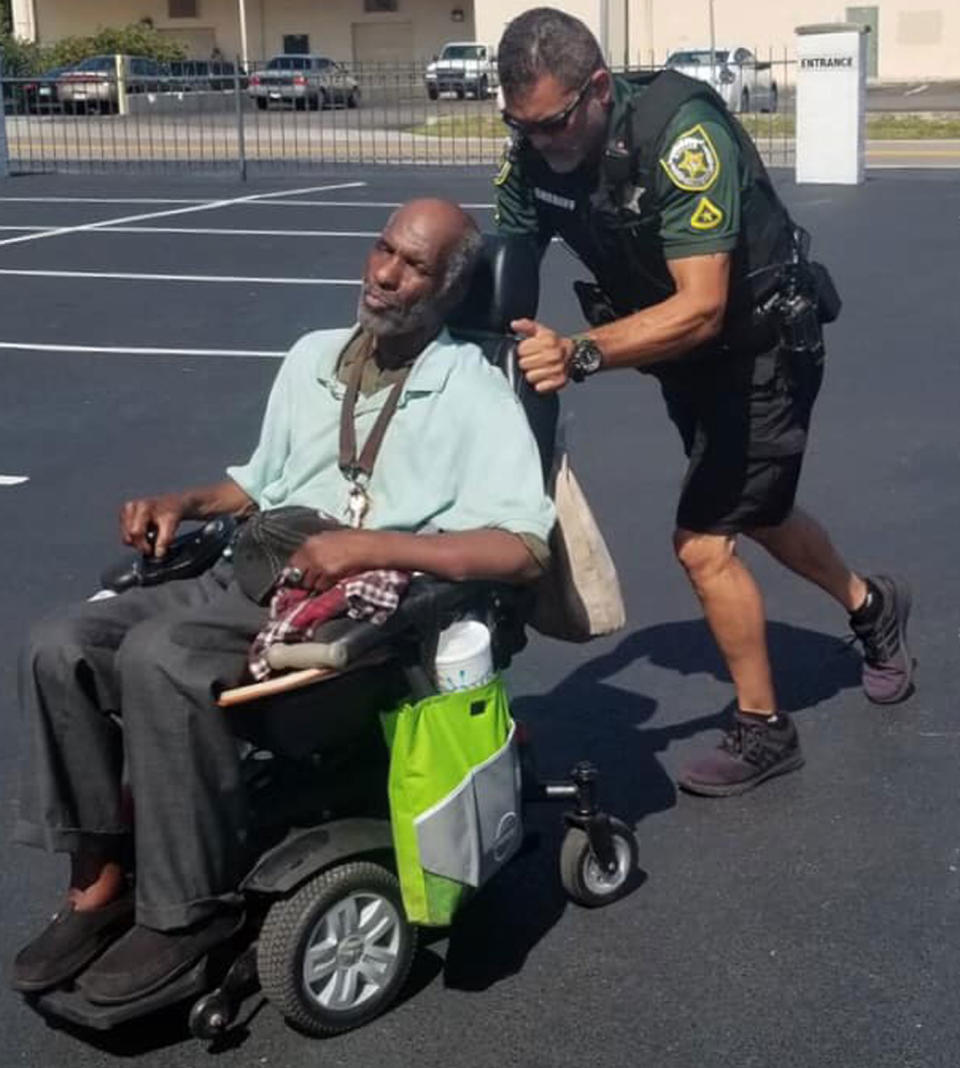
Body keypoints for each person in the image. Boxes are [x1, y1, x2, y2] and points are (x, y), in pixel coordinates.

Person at [11, 199, 554, 1003]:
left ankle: (185, 908)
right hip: (251, 572)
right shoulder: (312, 357)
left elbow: (523, 546)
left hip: (350, 617)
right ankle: (98, 879)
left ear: (449, 287)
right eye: (382, 251)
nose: (383, 273)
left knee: (160, 658)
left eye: (412, 266)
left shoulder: (473, 390)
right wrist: (185, 503)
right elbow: (261, 483)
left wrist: (372, 547)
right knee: (59, 644)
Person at [493, 7, 912, 797]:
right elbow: (509, 260)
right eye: (521, 125)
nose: (538, 142)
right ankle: (871, 603)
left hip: (760, 350)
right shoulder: (534, 150)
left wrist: (578, 352)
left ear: (598, 90)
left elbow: (702, 307)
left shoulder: (681, 136)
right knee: (758, 507)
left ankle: (765, 729)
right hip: (682, 360)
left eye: (551, 123)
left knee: (703, 540)